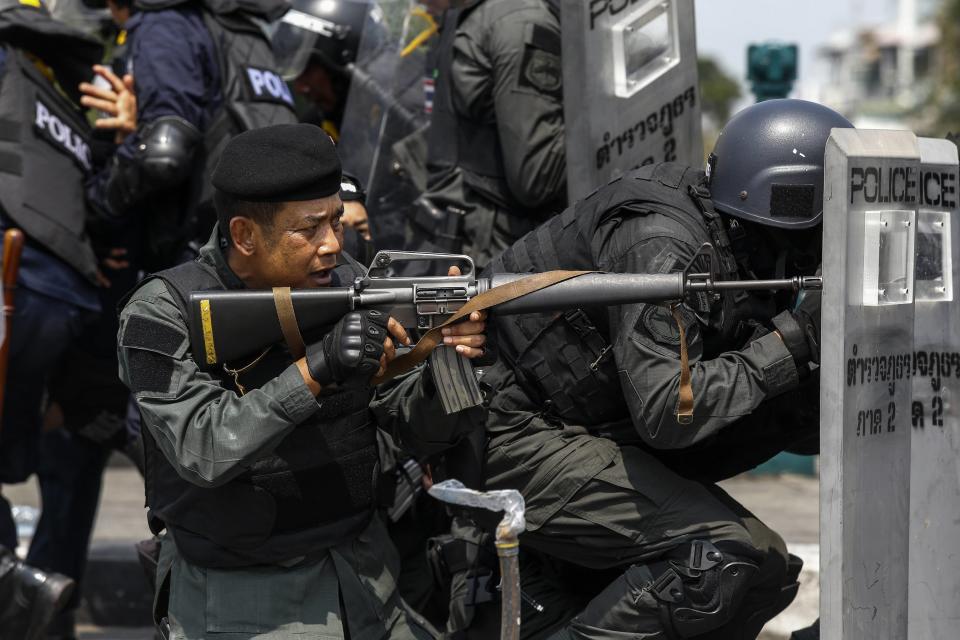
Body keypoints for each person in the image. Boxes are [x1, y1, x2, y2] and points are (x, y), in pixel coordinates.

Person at [472, 99, 849, 639]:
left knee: (764, 572)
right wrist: (788, 344)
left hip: (585, 427)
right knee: (719, 560)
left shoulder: (746, 250)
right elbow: (668, 409)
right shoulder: (663, 245)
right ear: (784, 211)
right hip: (511, 426)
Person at [117, 123, 488, 639]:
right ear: (244, 235)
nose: (333, 245)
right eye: (309, 229)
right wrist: (317, 368)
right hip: (244, 603)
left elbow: (412, 429)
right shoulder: (162, 314)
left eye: (337, 221)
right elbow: (202, 448)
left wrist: (446, 359)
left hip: (366, 580)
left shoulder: (348, 282)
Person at [0, 0, 106, 637]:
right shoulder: (60, 73)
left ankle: (19, 593)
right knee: (68, 448)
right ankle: (37, 596)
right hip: (71, 291)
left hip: (15, 282)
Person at [82, 0, 298, 273]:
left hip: (199, 258)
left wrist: (92, 217)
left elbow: (164, 152)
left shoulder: (166, 24)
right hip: (264, 246)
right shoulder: (242, 29)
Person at [413, 0, 565, 268]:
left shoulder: (507, 18)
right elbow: (537, 176)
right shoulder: (518, 20)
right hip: (504, 262)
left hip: (489, 252)